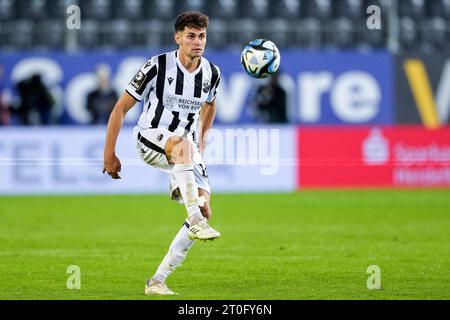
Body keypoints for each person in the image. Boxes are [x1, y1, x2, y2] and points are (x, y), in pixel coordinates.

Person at [102, 11, 221, 296]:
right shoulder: (156, 66)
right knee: (183, 152)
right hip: (149, 138)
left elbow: (210, 104)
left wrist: (200, 144)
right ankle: (193, 218)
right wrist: (109, 153)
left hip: (184, 148)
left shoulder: (211, 73)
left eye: (202, 36)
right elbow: (120, 108)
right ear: (177, 37)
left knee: (206, 207)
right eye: (191, 36)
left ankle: (157, 281)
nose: (197, 41)